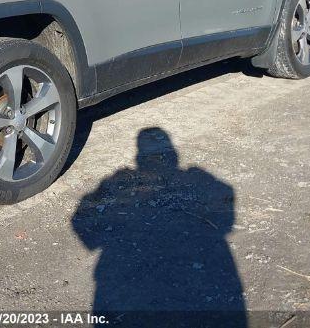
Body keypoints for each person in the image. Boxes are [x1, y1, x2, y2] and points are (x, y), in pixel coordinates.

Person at [72, 127, 245, 326]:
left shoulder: (120, 182)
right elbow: (226, 219)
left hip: (122, 286)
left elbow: (83, 229)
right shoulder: (201, 180)